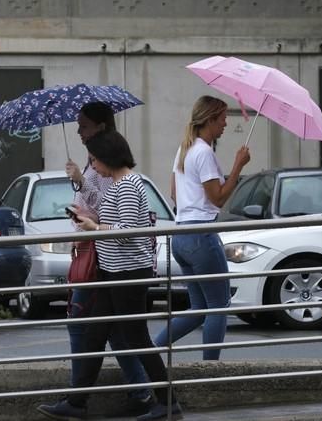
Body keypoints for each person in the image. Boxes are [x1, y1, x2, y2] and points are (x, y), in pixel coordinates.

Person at [37, 130, 183, 421]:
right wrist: (90, 219)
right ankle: (77, 403)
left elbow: (128, 231)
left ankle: (167, 403)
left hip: (127, 273)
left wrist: (94, 228)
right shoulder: (120, 184)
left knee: (135, 337)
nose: (93, 166)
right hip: (114, 271)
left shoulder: (128, 185)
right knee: (96, 334)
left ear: (107, 157)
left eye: (94, 160)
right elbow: (112, 217)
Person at [154, 95, 250, 361]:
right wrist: (237, 167)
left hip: (181, 234)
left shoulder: (184, 149)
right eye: (222, 119)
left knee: (199, 308)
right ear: (209, 120)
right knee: (218, 306)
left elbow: (174, 192)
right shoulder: (204, 152)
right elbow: (217, 198)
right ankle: (210, 371)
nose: (225, 125)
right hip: (200, 235)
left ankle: (152, 349)